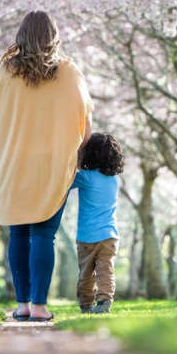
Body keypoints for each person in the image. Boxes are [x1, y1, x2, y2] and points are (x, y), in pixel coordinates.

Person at [0, 11, 93, 322]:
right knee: (44, 234)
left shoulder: (5, 71)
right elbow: (85, 123)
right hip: (53, 165)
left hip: (13, 162)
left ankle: (23, 306)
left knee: (19, 232)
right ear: (53, 35)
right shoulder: (70, 72)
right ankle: (40, 307)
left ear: (22, 35)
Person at [72, 133, 124, 314]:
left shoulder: (86, 177)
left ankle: (86, 305)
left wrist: (77, 158)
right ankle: (104, 301)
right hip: (109, 235)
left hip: (87, 236)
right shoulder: (115, 180)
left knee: (86, 274)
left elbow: (66, 181)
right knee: (106, 270)